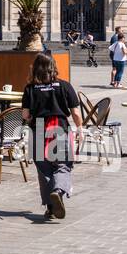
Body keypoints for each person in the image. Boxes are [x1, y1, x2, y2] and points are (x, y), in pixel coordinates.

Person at [21, 53, 83, 221]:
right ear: (53, 67)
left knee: (44, 169)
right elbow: (76, 112)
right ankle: (58, 191)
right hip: (59, 127)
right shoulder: (64, 86)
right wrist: (80, 129)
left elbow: (25, 114)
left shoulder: (30, 88)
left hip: (39, 128)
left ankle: (50, 207)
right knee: (62, 166)